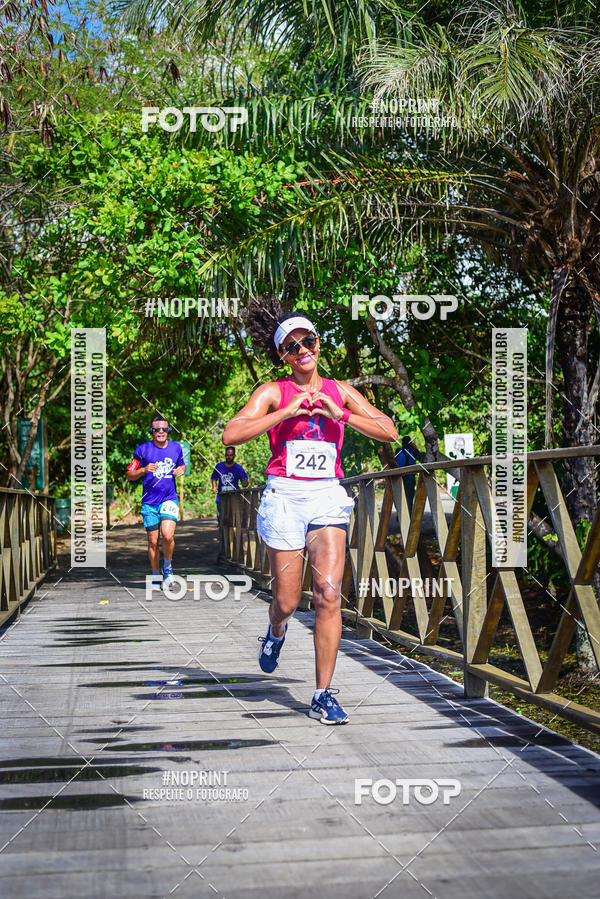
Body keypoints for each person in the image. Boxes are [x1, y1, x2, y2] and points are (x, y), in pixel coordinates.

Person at [222, 307, 398, 724]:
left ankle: (322, 694)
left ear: (319, 344)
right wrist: (286, 413)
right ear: (282, 355)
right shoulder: (273, 391)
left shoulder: (340, 391)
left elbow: (389, 430)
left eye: (308, 341)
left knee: (328, 594)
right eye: (292, 346)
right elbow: (232, 433)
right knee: (286, 601)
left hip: (325, 496)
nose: (302, 350)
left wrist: (341, 414)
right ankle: (276, 631)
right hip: (285, 496)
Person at [126, 416, 185, 591]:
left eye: (164, 429)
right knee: (153, 541)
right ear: (151, 431)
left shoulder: (176, 447)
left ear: (168, 431)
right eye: (157, 429)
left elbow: (181, 466)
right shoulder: (142, 449)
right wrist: (144, 469)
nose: (161, 432)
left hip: (169, 498)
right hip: (149, 502)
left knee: (167, 535)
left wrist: (180, 470)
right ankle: (155, 576)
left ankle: (167, 568)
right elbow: (129, 475)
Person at [211, 447, 249, 518]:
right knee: (221, 518)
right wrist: (214, 486)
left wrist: (245, 483)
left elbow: (245, 483)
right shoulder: (219, 466)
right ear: (225, 455)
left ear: (234, 456)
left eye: (231, 455)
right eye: (227, 455)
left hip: (235, 497)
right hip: (221, 497)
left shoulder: (238, 468)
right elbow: (214, 477)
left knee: (234, 518)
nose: (229, 457)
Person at [394, 436, 423, 513]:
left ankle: (402, 513)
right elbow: (420, 457)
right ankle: (408, 513)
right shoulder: (412, 451)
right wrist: (414, 447)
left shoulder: (398, 451)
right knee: (409, 498)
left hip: (400, 478)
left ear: (402, 443)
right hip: (409, 478)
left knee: (400, 496)